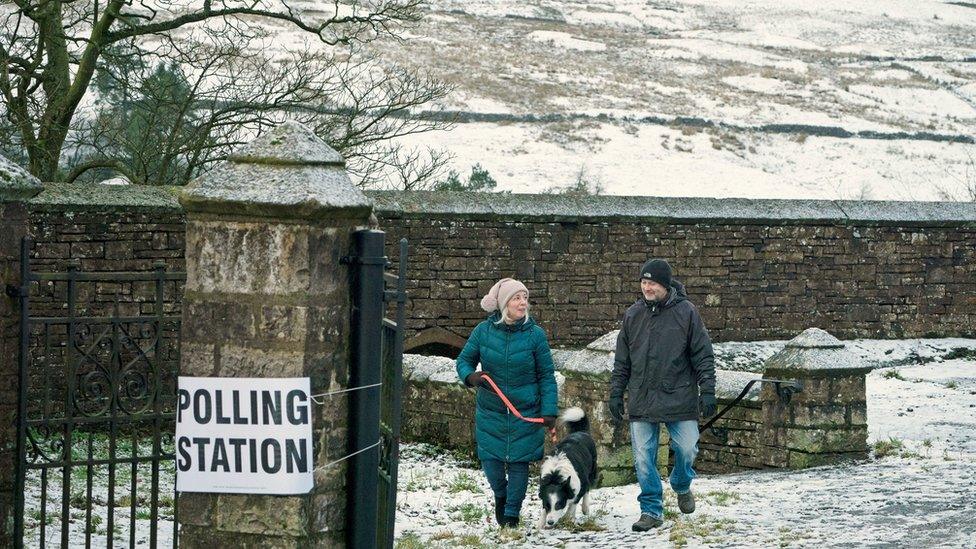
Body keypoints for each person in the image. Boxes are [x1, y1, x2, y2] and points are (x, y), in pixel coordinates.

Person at [609, 259, 716, 532]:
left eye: (652, 283)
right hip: (642, 399)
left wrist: (709, 390)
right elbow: (622, 361)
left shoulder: (687, 313)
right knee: (643, 458)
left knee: (687, 447)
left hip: (679, 396)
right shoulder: (633, 315)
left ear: (665, 285)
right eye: (643, 283)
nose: (647, 287)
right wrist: (615, 392)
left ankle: (681, 483)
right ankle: (651, 510)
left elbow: (702, 355)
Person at [456, 278, 558, 528]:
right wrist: (471, 376)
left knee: (519, 464)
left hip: (526, 411)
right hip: (492, 411)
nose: (523, 303)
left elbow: (547, 375)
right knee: (491, 462)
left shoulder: (535, 335)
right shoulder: (483, 331)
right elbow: (464, 360)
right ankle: (501, 495)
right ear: (504, 304)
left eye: (525, 298)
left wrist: (549, 411)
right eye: (517, 298)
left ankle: (512, 514)